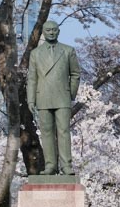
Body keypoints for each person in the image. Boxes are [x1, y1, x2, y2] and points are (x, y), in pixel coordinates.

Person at [26, 20, 81, 175]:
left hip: (62, 96)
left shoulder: (68, 50)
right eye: (48, 30)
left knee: (63, 131)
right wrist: (31, 99)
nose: (51, 32)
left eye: (54, 30)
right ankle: (50, 165)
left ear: (58, 31)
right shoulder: (35, 53)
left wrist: (71, 92)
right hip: (42, 96)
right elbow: (32, 78)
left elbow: (75, 74)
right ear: (43, 32)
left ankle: (66, 166)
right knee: (46, 132)